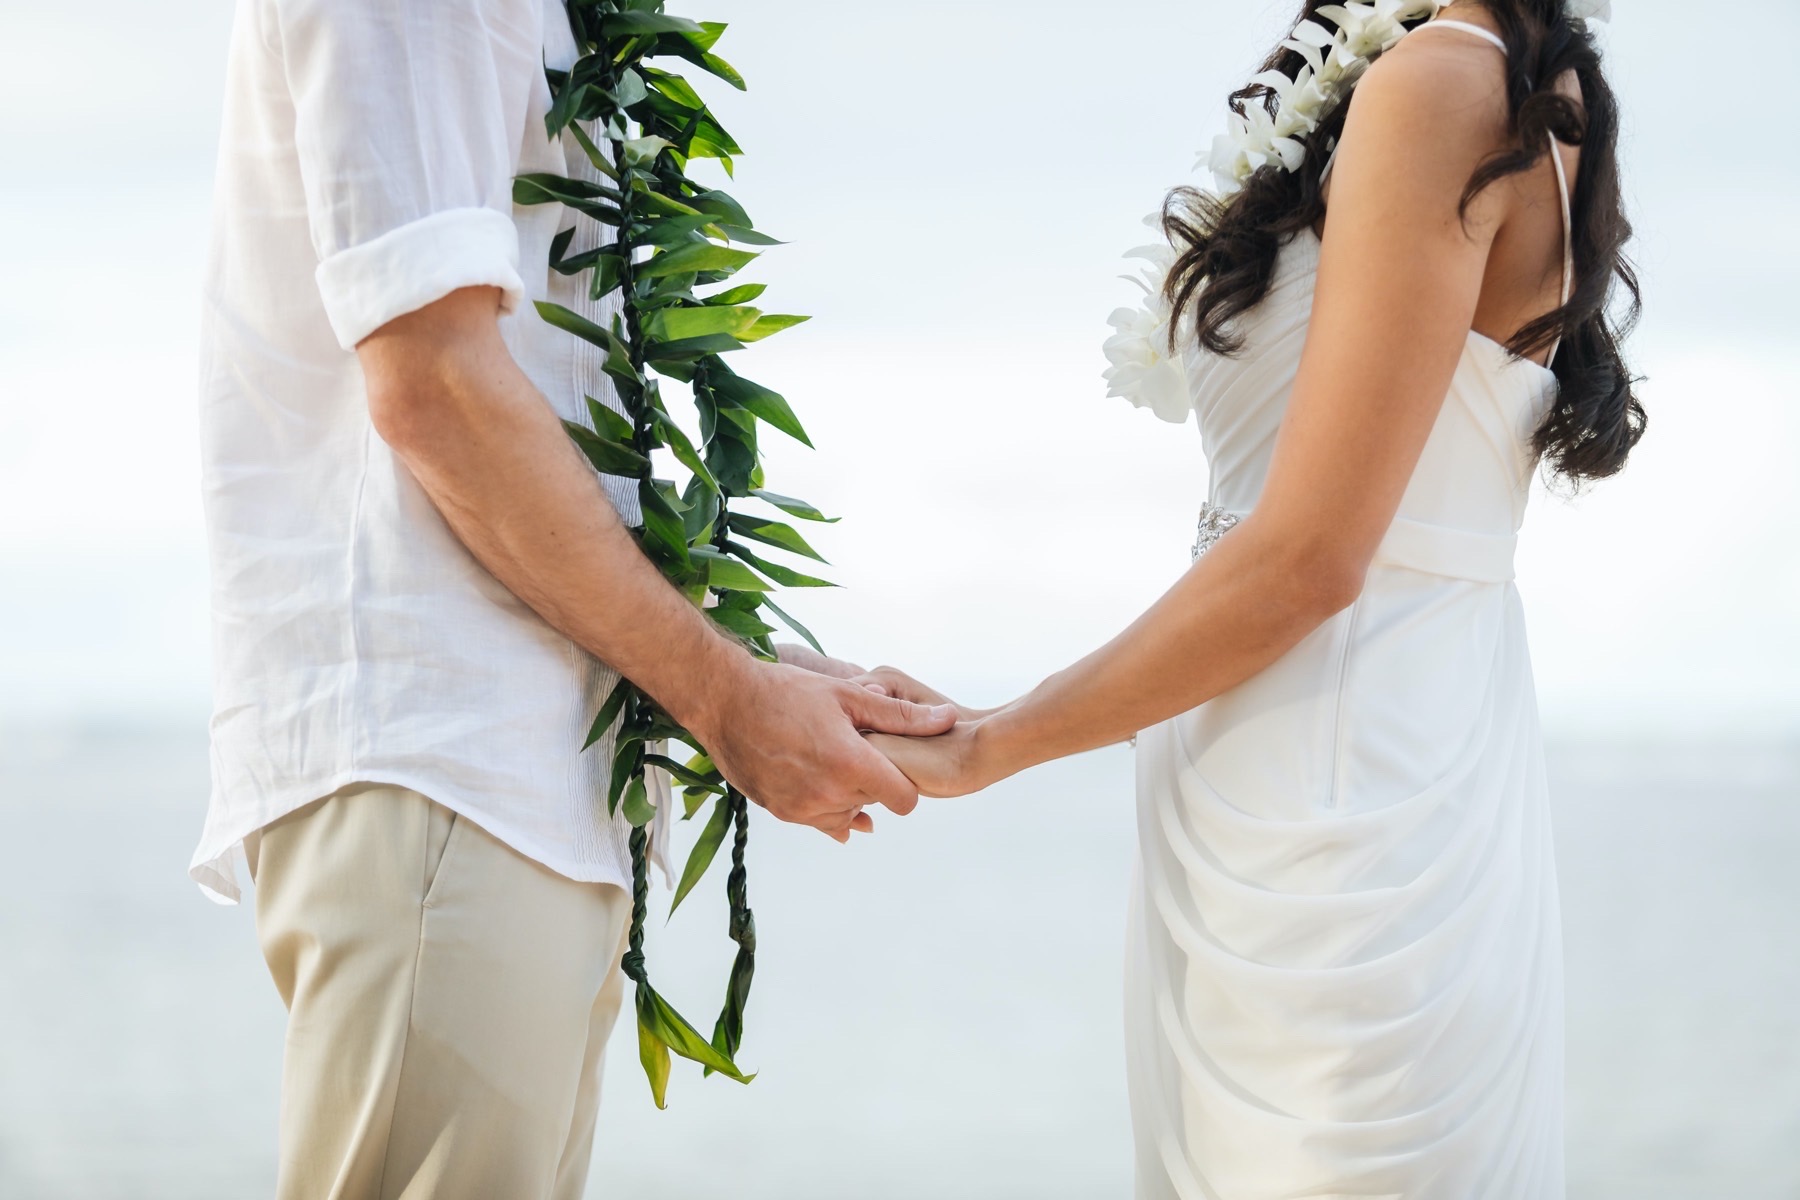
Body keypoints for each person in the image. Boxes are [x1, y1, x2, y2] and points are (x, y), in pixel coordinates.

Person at [867, 2, 1639, 1196]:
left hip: (1337, 821)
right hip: (1339, 766)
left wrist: (992, 741)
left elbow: (1309, 559)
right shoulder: (1514, 78)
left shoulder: (1445, 81)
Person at [187, 2, 955, 1196]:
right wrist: (724, 698)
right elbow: (436, 384)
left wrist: (749, 668)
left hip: (515, 774)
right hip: (445, 760)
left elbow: (519, 402)